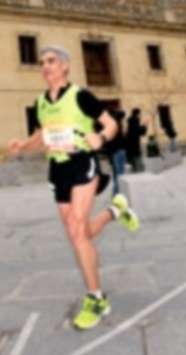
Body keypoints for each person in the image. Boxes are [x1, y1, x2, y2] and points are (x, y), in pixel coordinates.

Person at [8, 45, 139, 331]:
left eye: (52, 61)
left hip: (82, 164)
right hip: (58, 169)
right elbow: (41, 134)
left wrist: (101, 137)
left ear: (65, 66)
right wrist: (23, 144)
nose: (46, 66)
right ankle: (115, 211)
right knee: (77, 232)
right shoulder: (41, 102)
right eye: (42, 62)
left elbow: (111, 123)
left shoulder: (80, 95)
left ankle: (96, 298)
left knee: (78, 232)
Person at [104, 108, 127, 195]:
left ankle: (116, 192)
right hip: (118, 150)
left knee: (116, 172)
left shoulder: (110, 125)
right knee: (119, 173)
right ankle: (117, 192)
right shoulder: (115, 124)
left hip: (113, 151)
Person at [125, 108, 148, 173]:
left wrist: (144, 126)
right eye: (140, 114)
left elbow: (140, 132)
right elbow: (139, 133)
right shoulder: (134, 122)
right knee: (138, 166)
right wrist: (144, 126)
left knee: (136, 165)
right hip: (134, 147)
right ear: (137, 114)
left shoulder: (133, 122)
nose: (141, 115)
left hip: (132, 147)